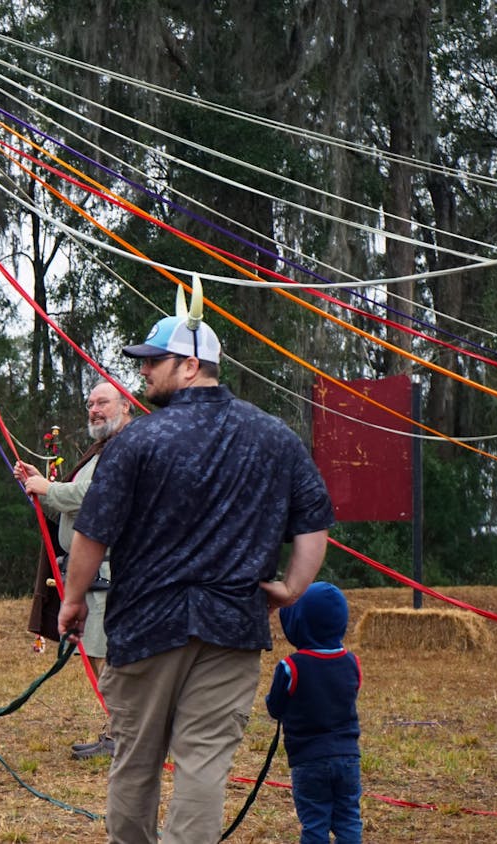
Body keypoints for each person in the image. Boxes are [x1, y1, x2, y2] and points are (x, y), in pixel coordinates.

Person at [58, 290, 335, 844]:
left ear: (189, 365)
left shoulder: (137, 440)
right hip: (231, 627)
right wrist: (291, 587)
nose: (143, 373)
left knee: (135, 761)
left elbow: (92, 531)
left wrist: (72, 600)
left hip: (145, 628)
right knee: (203, 767)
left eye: (153, 363)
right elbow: (314, 520)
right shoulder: (274, 436)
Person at [14, 380, 134, 759]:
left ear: (125, 406)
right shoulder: (100, 450)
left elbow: (96, 496)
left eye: (103, 402)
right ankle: (120, 732)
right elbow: (70, 509)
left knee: (107, 655)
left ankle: (126, 737)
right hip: (91, 571)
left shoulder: (126, 449)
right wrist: (37, 487)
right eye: (90, 404)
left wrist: (49, 488)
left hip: (112, 570)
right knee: (98, 654)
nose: (94, 410)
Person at [266, 582, 362, 844]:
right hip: (348, 758)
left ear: (299, 624)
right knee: (349, 820)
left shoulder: (290, 667)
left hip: (308, 761)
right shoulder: (352, 662)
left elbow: (275, 708)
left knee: (315, 823)